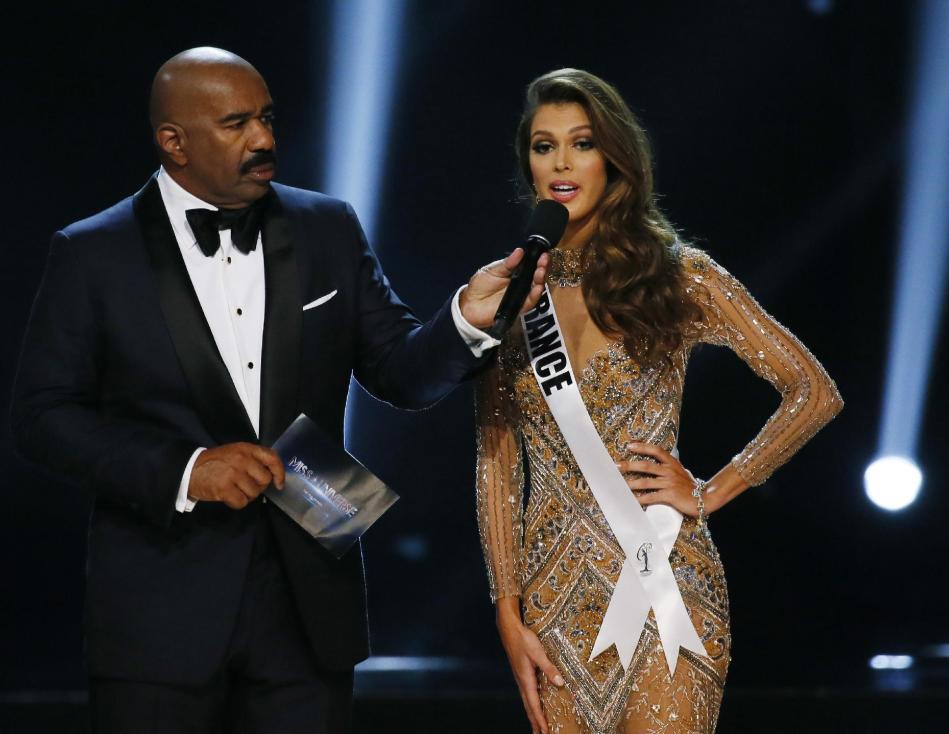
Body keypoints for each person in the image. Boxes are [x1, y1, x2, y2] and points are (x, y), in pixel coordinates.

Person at [11, 47, 547, 733]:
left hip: (306, 611)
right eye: (236, 123)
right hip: (159, 612)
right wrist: (185, 469)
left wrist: (465, 322)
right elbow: (41, 418)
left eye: (266, 117)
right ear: (173, 142)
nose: (264, 139)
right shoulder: (92, 252)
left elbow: (400, 373)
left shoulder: (326, 227)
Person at [475, 68, 843, 734]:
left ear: (613, 155)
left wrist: (710, 491)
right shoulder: (505, 293)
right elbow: (496, 462)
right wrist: (507, 612)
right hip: (553, 602)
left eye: (581, 142)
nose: (560, 161)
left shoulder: (678, 274)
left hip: (662, 584)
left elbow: (813, 391)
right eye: (543, 145)